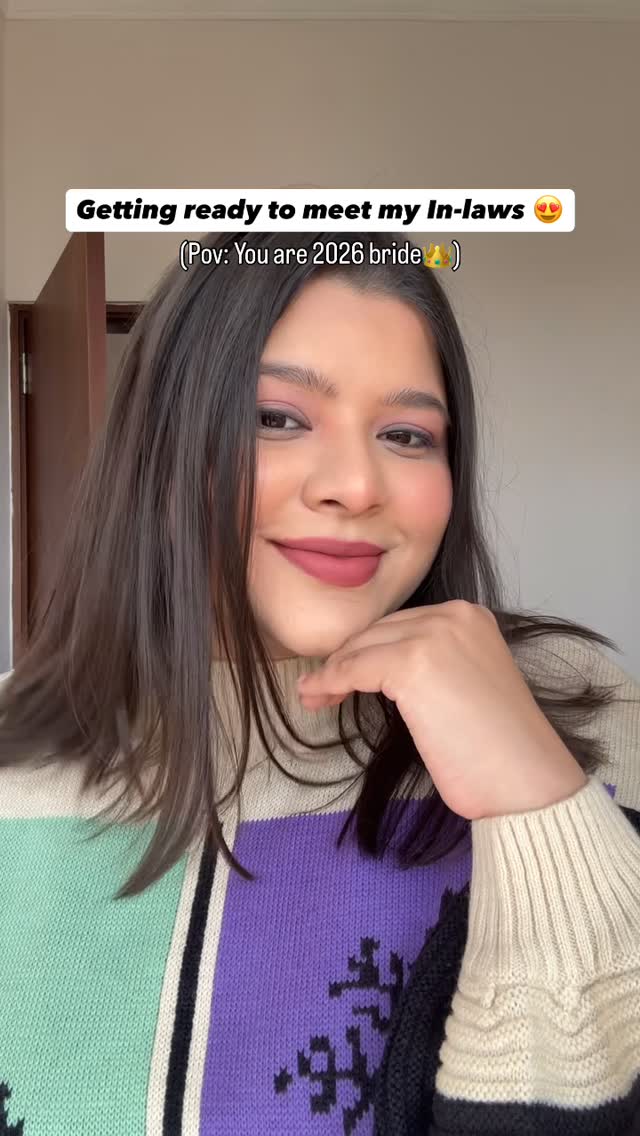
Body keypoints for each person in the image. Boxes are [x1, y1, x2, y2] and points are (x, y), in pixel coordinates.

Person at [0, 231, 638, 1136]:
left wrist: (541, 809)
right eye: (279, 417)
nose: (355, 485)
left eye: (407, 434)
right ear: (161, 442)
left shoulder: (586, 715)